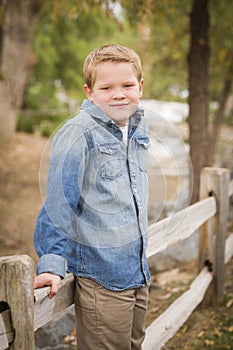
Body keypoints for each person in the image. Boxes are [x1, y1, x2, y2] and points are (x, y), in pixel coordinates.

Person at [34, 44, 151, 350]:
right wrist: (51, 263)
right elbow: (59, 204)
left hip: (137, 270)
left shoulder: (137, 127)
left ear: (140, 87)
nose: (119, 94)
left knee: (134, 344)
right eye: (106, 87)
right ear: (89, 92)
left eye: (127, 85)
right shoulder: (79, 133)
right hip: (103, 277)